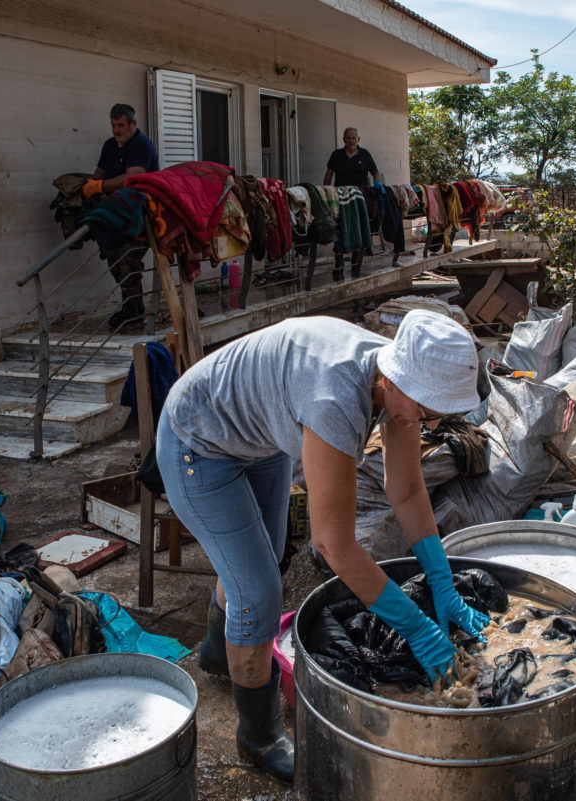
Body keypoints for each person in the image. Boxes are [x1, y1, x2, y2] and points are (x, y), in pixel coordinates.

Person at [156, 310, 490, 784]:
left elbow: (408, 490)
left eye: (436, 412)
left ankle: (217, 648)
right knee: (259, 597)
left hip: (258, 433)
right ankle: (259, 736)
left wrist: (442, 580)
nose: (428, 421)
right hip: (197, 438)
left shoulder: (401, 384)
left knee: (260, 559)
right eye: (426, 409)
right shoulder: (337, 397)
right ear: (394, 379)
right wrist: (415, 625)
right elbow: (332, 544)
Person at [83, 103, 160, 330]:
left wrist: (100, 186)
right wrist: (89, 184)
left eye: (121, 126)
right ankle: (133, 309)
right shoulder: (110, 146)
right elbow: (99, 174)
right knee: (115, 259)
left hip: (140, 215)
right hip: (115, 213)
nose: (117, 130)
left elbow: (132, 179)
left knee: (128, 259)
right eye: (113, 125)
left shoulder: (141, 146)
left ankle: (133, 312)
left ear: (133, 124)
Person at [323, 127, 380, 280]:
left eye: (353, 138)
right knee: (339, 230)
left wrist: (378, 184)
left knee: (359, 229)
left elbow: (375, 172)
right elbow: (328, 175)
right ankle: (339, 264)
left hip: (360, 199)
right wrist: (327, 192)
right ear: (344, 139)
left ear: (358, 139)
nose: (351, 141)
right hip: (340, 198)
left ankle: (356, 266)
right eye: (348, 138)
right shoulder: (336, 155)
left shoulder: (365, 154)